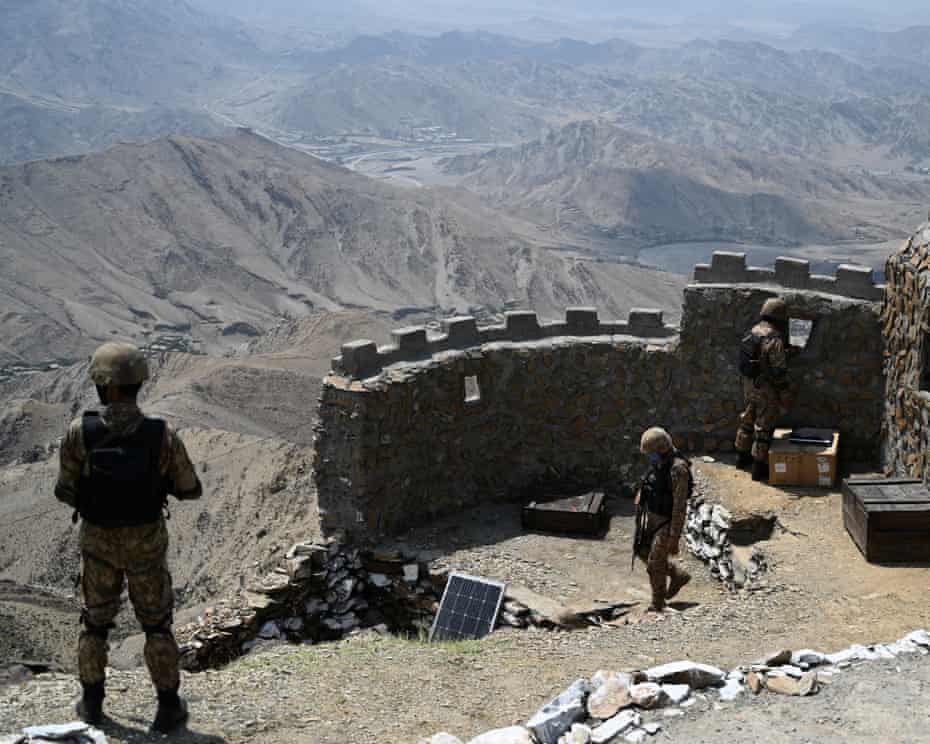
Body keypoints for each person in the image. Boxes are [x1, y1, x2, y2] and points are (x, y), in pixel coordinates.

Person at [55, 342, 202, 733]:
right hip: (147, 543)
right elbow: (190, 488)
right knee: (156, 626)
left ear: (101, 385)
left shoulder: (79, 432)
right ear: (138, 383)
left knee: (94, 624)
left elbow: (64, 490)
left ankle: (91, 704)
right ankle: (168, 707)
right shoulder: (161, 434)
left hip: (98, 541)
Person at [635, 427, 692, 615]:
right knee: (642, 551)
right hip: (651, 515)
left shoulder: (678, 468)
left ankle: (657, 604)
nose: (649, 458)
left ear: (661, 448)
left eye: (651, 453)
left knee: (654, 565)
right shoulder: (661, 461)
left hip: (666, 521)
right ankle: (677, 574)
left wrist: (674, 537)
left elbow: (679, 505)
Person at [735, 297, 793, 482]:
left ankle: (741, 458)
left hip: (749, 384)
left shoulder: (753, 331)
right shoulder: (774, 338)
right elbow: (779, 370)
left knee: (747, 420)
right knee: (763, 428)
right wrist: (784, 391)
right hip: (765, 388)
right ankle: (758, 468)